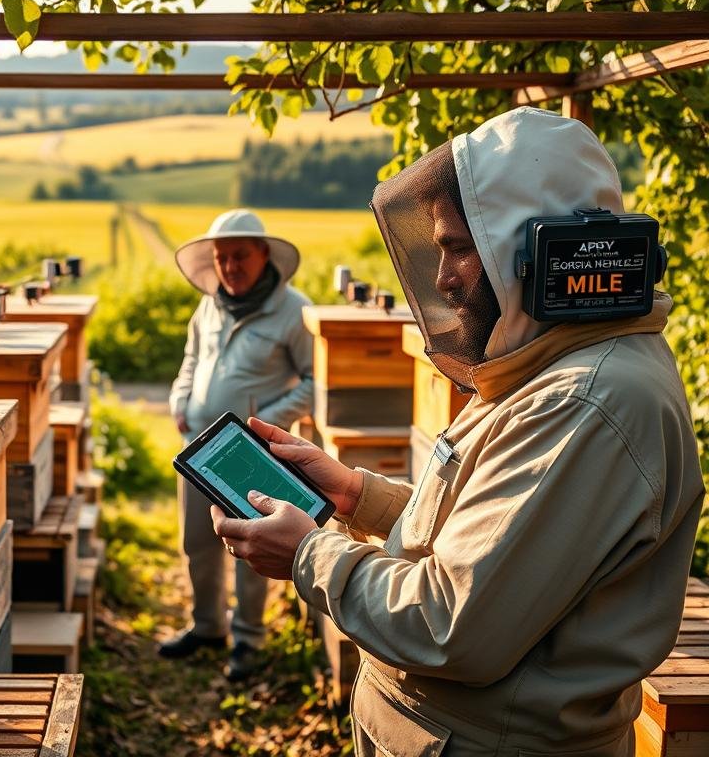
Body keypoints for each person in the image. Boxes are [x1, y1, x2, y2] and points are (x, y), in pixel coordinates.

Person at [210, 108, 704, 754]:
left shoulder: (586, 401)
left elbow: (449, 625)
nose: (441, 280)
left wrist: (309, 555)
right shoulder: (547, 364)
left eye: (457, 249)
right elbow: (490, 545)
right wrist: (361, 497)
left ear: (526, 247)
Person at [162, 208, 315, 681]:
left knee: (252, 549)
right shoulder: (208, 305)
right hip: (200, 451)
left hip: (255, 456)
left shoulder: (295, 310)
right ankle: (207, 626)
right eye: (222, 258)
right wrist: (180, 398)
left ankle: (248, 638)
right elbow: (191, 358)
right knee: (198, 542)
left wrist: (263, 423)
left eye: (240, 256)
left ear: (264, 255)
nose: (230, 267)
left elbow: (314, 381)